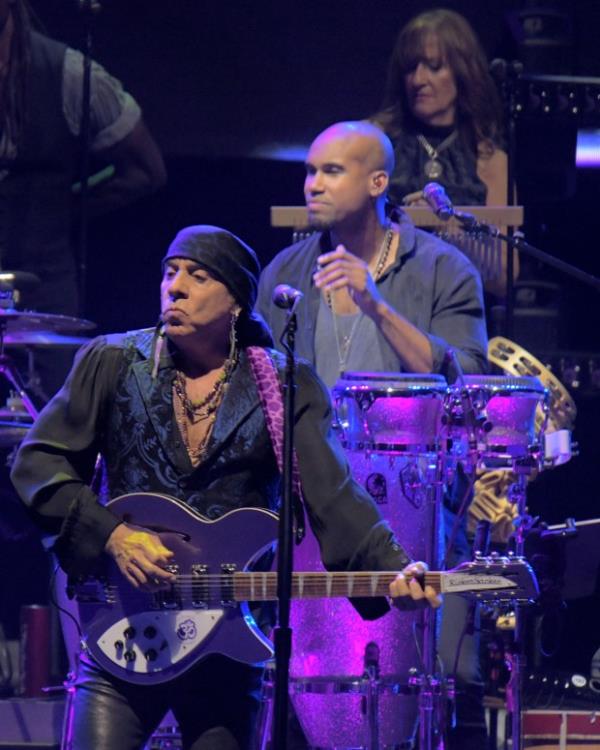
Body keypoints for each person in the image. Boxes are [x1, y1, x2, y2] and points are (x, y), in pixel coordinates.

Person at [10, 225, 440, 750]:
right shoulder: (112, 362)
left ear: (236, 300)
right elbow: (38, 464)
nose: (176, 286)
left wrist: (392, 571)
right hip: (121, 629)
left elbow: (335, 497)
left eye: (198, 274)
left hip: (226, 644)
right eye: (170, 272)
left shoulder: (284, 384)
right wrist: (111, 536)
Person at [256, 121, 489, 749]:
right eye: (309, 171)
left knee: (431, 683)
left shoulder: (444, 270)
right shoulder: (286, 270)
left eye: (332, 171)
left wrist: (375, 301)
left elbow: (465, 385)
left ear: (377, 182)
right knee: (309, 684)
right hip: (313, 516)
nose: (313, 184)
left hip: (412, 511)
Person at [0, 0, 166, 397]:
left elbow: (146, 170)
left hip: (41, 299)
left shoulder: (67, 74)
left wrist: (66, 208)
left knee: (48, 434)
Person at [372, 8, 506, 208]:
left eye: (434, 67)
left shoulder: (489, 157)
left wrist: (441, 222)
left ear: (462, 72)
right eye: (410, 68)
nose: (418, 80)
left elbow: (500, 237)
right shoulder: (373, 140)